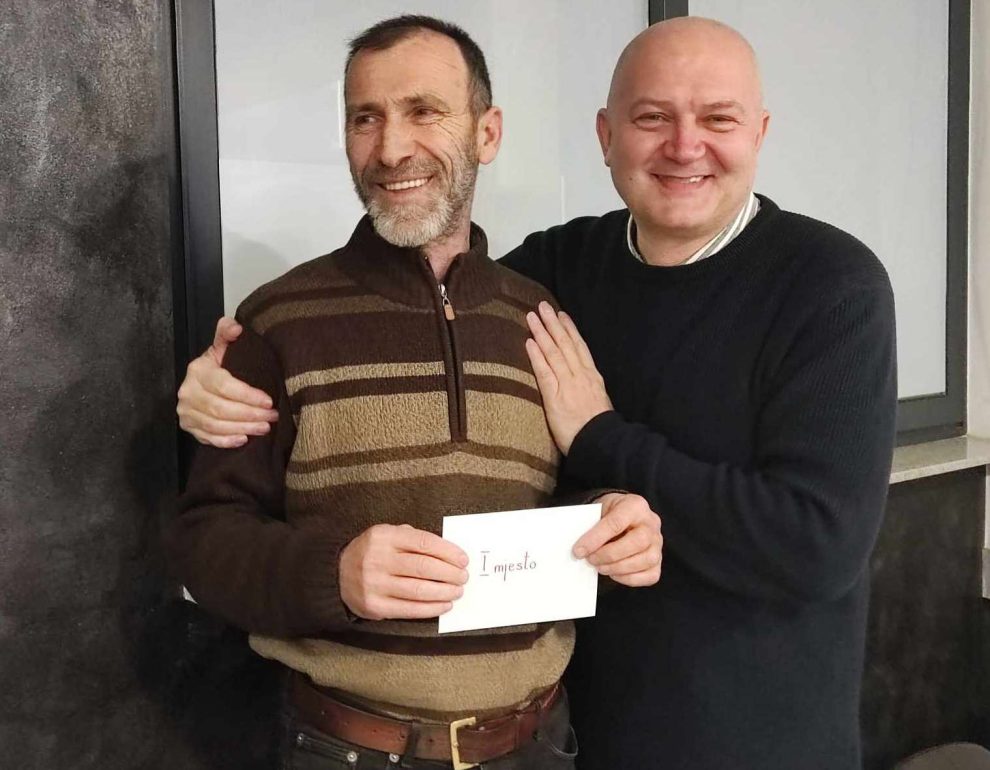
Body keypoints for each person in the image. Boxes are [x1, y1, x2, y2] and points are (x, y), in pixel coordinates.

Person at [177, 16, 897, 770]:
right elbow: (438, 306)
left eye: (718, 119)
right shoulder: (544, 282)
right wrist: (204, 386)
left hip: (751, 741)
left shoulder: (827, 287)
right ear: (606, 136)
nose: (685, 146)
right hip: (555, 738)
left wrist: (606, 449)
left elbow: (817, 544)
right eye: (652, 117)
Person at [166, 15, 661, 770]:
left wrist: (612, 519)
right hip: (343, 748)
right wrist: (333, 576)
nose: (392, 148)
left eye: (423, 111)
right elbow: (203, 544)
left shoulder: (541, 318)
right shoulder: (277, 322)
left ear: (487, 133)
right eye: (365, 118)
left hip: (536, 745)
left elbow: (558, 499)